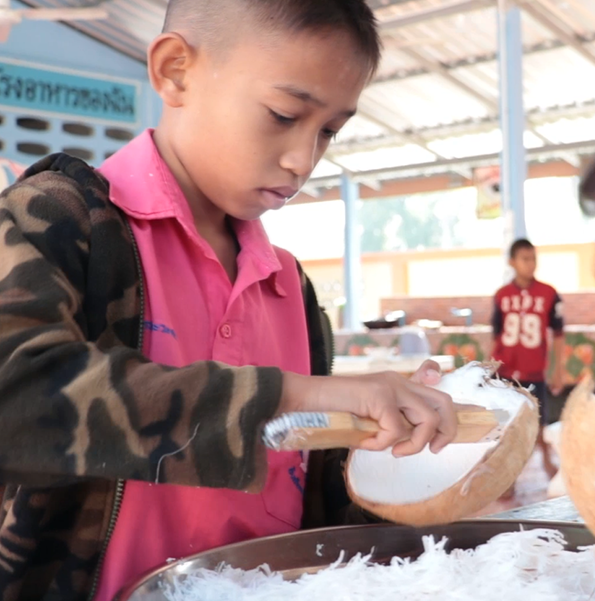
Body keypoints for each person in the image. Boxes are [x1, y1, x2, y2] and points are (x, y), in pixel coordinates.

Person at [0, 1, 457, 599]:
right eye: (282, 114)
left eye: (328, 131)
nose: (303, 160)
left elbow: (309, 494)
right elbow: (19, 402)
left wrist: (398, 446)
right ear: (175, 71)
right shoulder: (58, 220)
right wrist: (299, 393)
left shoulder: (290, 285)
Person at [491, 238, 564, 480]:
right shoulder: (501, 295)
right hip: (505, 371)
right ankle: (507, 475)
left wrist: (557, 369)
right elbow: (496, 336)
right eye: (525, 259)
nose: (530, 264)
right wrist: (489, 367)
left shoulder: (549, 293)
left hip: (534, 370)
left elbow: (559, 335)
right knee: (504, 424)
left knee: (539, 422)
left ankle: (545, 461)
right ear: (512, 262)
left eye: (533, 258)